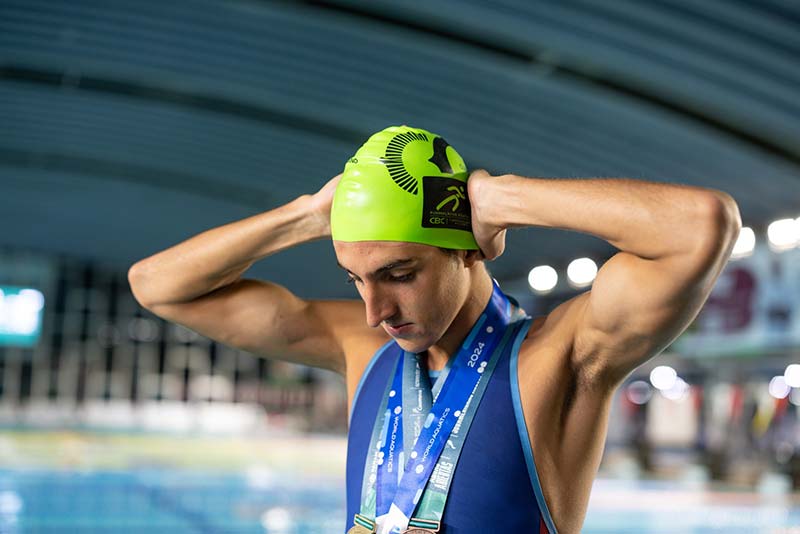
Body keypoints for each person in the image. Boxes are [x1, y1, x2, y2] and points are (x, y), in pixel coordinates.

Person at [128, 125, 741, 533]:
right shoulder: (362, 350)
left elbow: (701, 226)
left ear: (465, 249)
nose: (374, 311)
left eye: (398, 274)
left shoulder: (559, 359)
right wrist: (307, 215)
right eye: (356, 279)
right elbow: (156, 285)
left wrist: (502, 200)